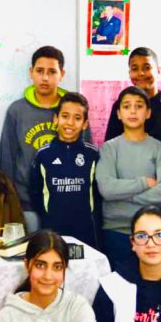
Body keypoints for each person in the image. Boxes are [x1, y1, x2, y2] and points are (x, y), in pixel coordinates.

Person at [97, 86, 161, 274]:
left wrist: (124, 195)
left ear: (148, 113)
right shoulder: (108, 149)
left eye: (139, 106)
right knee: (119, 285)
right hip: (116, 231)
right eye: (126, 106)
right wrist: (144, 183)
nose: (132, 111)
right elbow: (106, 189)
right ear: (118, 114)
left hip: (152, 234)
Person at [0, 45, 71, 231]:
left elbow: (85, 154)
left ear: (62, 74)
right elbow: (7, 159)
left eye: (52, 72)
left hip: (64, 200)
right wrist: (11, 200)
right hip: (26, 203)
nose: (45, 77)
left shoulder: (72, 110)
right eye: (40, 71)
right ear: (31, 72)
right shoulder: (17, 110)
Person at [28, 92, 102, 248]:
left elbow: (98, 193)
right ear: (56, 119)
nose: (70, 123)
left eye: (77, 118)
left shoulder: (93, 155)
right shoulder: (43, 155)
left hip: (85, 231)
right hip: (52, 230)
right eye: (65, 116)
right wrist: (48, 216)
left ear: (85, 124)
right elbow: (35, 192)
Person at [104, 47, 161, 141]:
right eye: (135, 69)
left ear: (158, 70)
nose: (141, 73)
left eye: (147, 68)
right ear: (129, 73)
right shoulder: (121, 105)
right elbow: (111, 144)